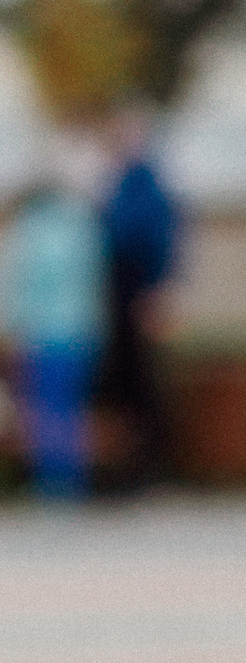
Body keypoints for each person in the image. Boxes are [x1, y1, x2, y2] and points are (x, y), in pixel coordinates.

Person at [1, 153, 109, 502]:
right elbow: (95, 281)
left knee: (45, 409)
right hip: (80, 332)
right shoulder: (84, 225)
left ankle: (53, 484)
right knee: (70, 408)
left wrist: (10, 326)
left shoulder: (28, 229)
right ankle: (70, 482)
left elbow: (14, 283)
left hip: (41, 333)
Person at [95, 120, 181, 486]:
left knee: (138, 383)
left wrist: (156, 290)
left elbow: (157, 240)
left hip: (134, 288)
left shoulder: (145, 186)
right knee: (124, 382)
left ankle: (144, 467)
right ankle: (124, 466)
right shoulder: (120, 183)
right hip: (119, 290)